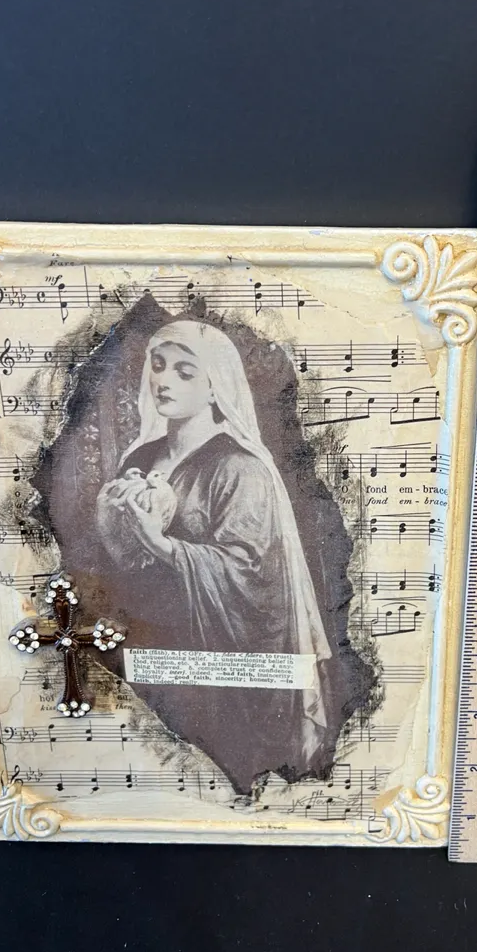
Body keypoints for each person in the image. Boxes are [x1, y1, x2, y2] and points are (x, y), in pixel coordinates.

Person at [95, 319, 333, 793]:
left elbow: (253, 576)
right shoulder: (138, 462)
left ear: (213, 388)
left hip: (219, 660)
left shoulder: (239, 468)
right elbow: (117, 568)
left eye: (185, 372)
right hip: (155, 647)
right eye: (158, 366)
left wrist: (159, 543)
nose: (163, 380)